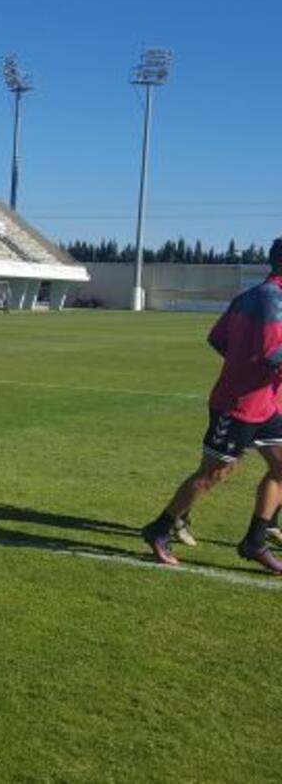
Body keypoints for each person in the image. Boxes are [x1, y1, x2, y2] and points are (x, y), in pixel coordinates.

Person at [141, 238, 282, 573]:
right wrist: (244, 372)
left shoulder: (251, 296)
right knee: (213, 473)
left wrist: (239, 365)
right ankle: (159, 529)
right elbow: (270, 355)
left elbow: (217, 338)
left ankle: (255, 542)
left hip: (267, 405)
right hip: (239, 405)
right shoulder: (272, 299)